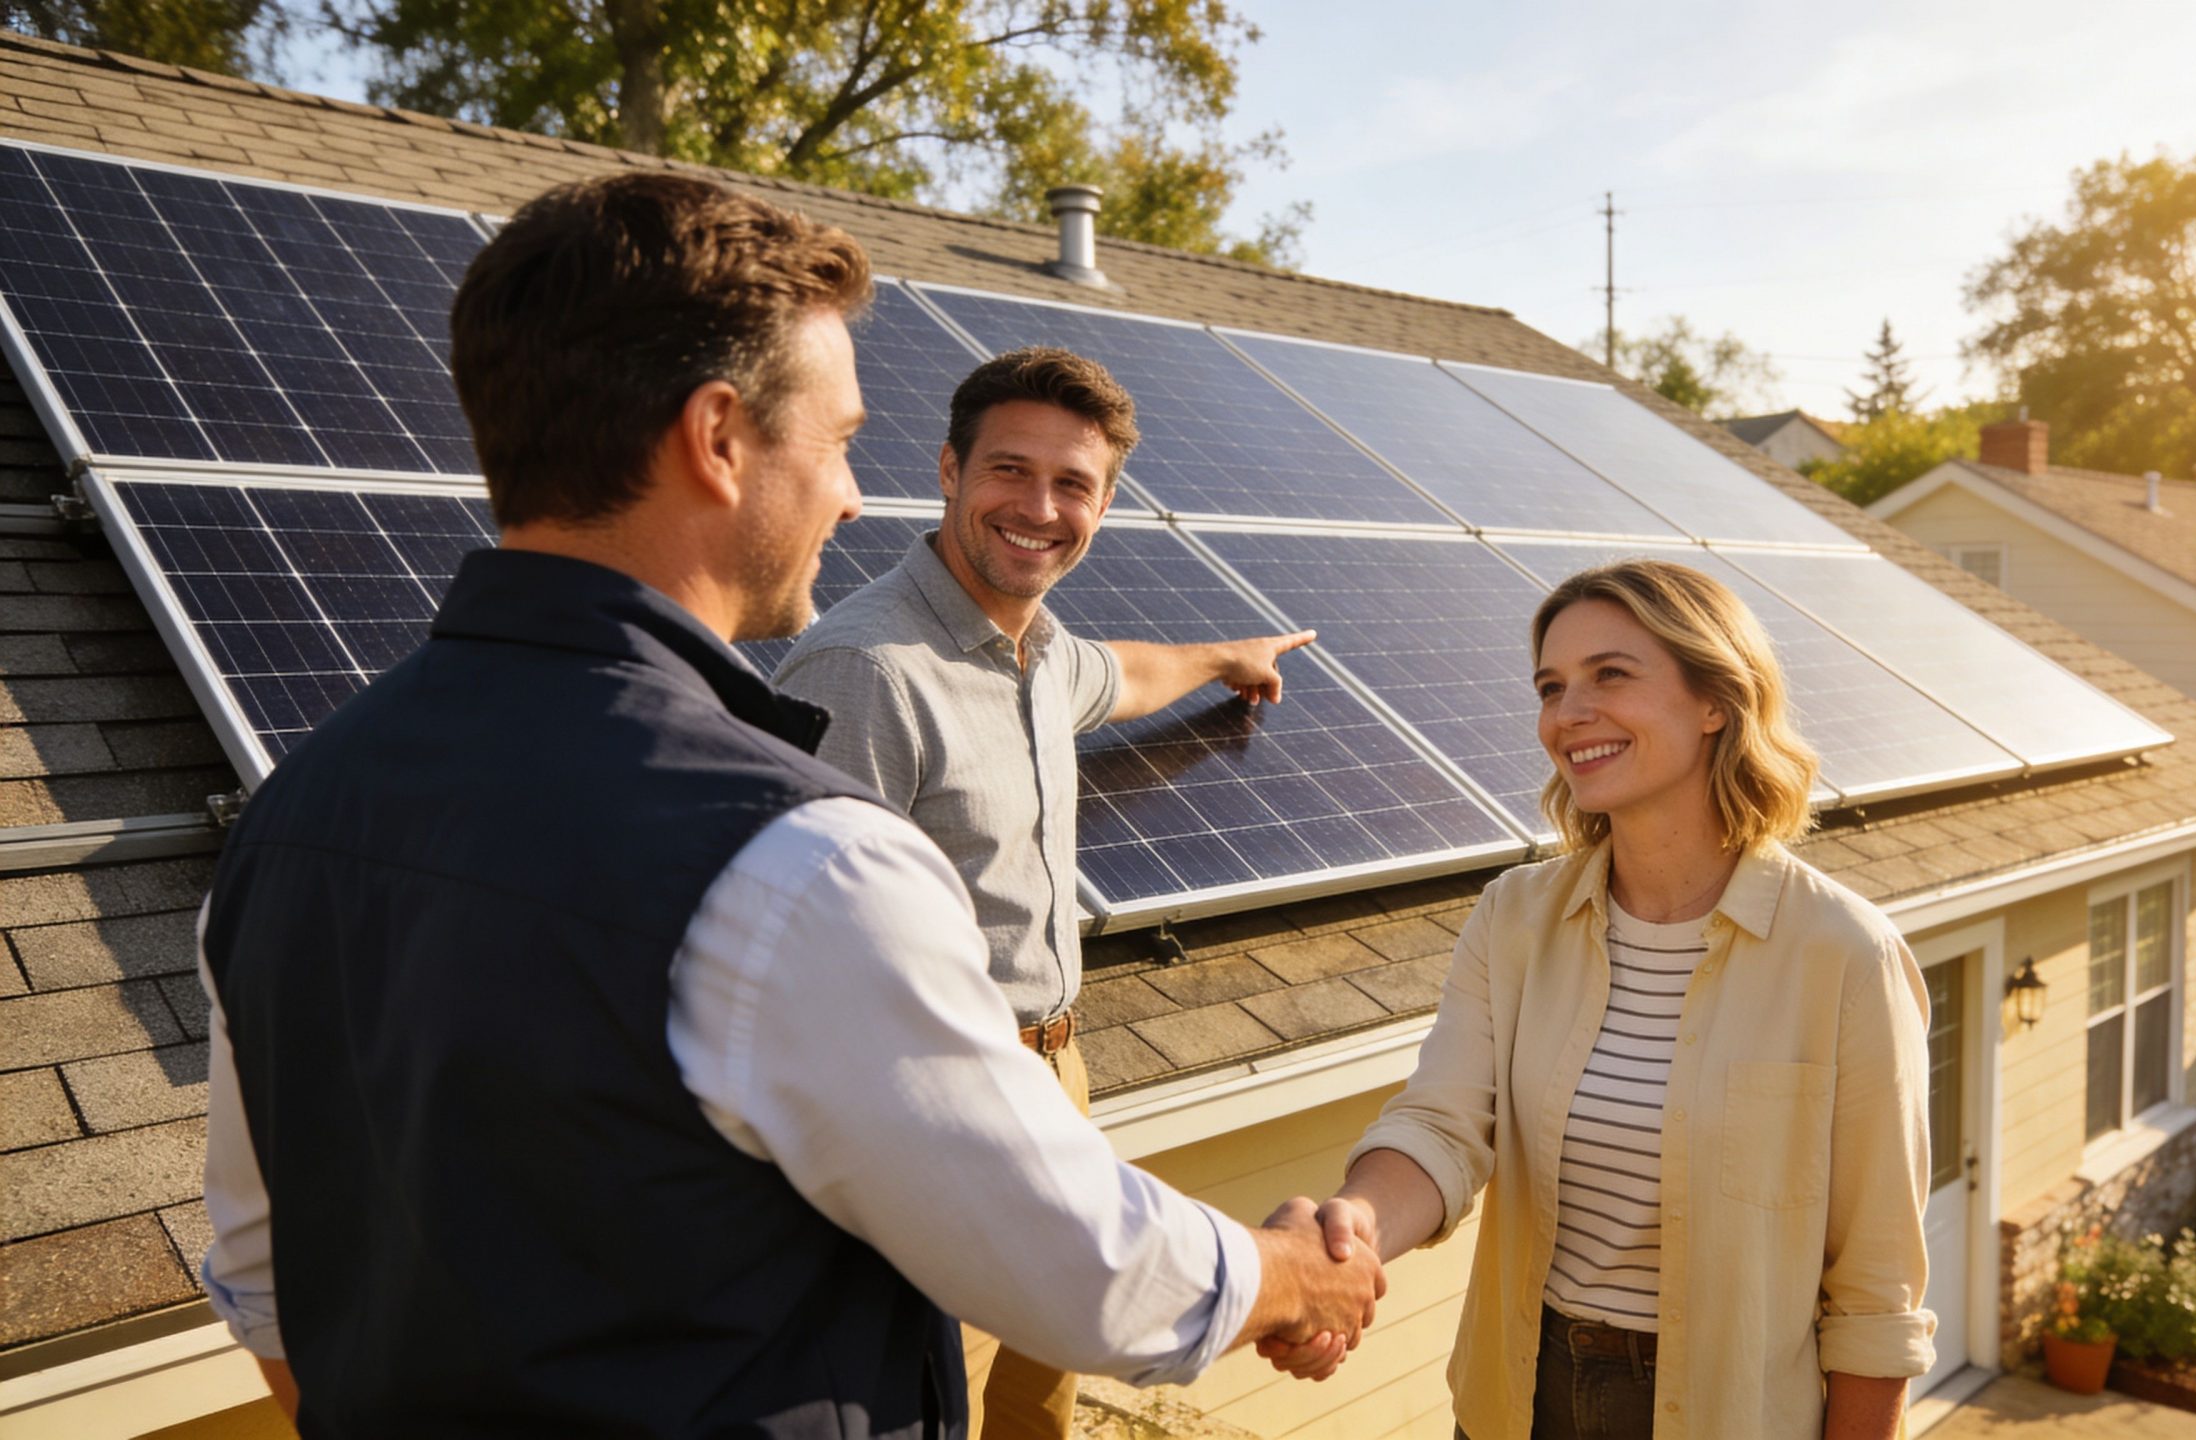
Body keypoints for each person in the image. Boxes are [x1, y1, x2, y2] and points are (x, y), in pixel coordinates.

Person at [194, 171, 1382, 1439]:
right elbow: (1085, 1265)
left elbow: (267, 1280)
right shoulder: (791, 860)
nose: (850, 495)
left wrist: (1225, 654)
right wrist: (1297, 1273)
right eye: (839, 441)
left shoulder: (289, 818)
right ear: (718, 439)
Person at [773, 347, 1317, 1440]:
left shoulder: (1044, 653)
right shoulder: (866, 671)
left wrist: (1227, 656)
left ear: (1106, 502)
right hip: (934, 1084)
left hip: (1054, 1057)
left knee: (1049, 1366)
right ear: (946, 471)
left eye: (1072, 484)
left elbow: (1125, 674)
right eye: (1008, 471)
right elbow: (808, 945)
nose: (1039, 507)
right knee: (902, 1370)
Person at [1260, 559, 1935, 1438]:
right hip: (1516, 1398)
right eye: (1551, 686)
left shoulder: (1845, 955)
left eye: (1610, 675)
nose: (1565, 715)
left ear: (1715, 700)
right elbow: (1441, 1127)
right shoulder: (1516, 916)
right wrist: (1342, 1241)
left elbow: (1878, 1293)